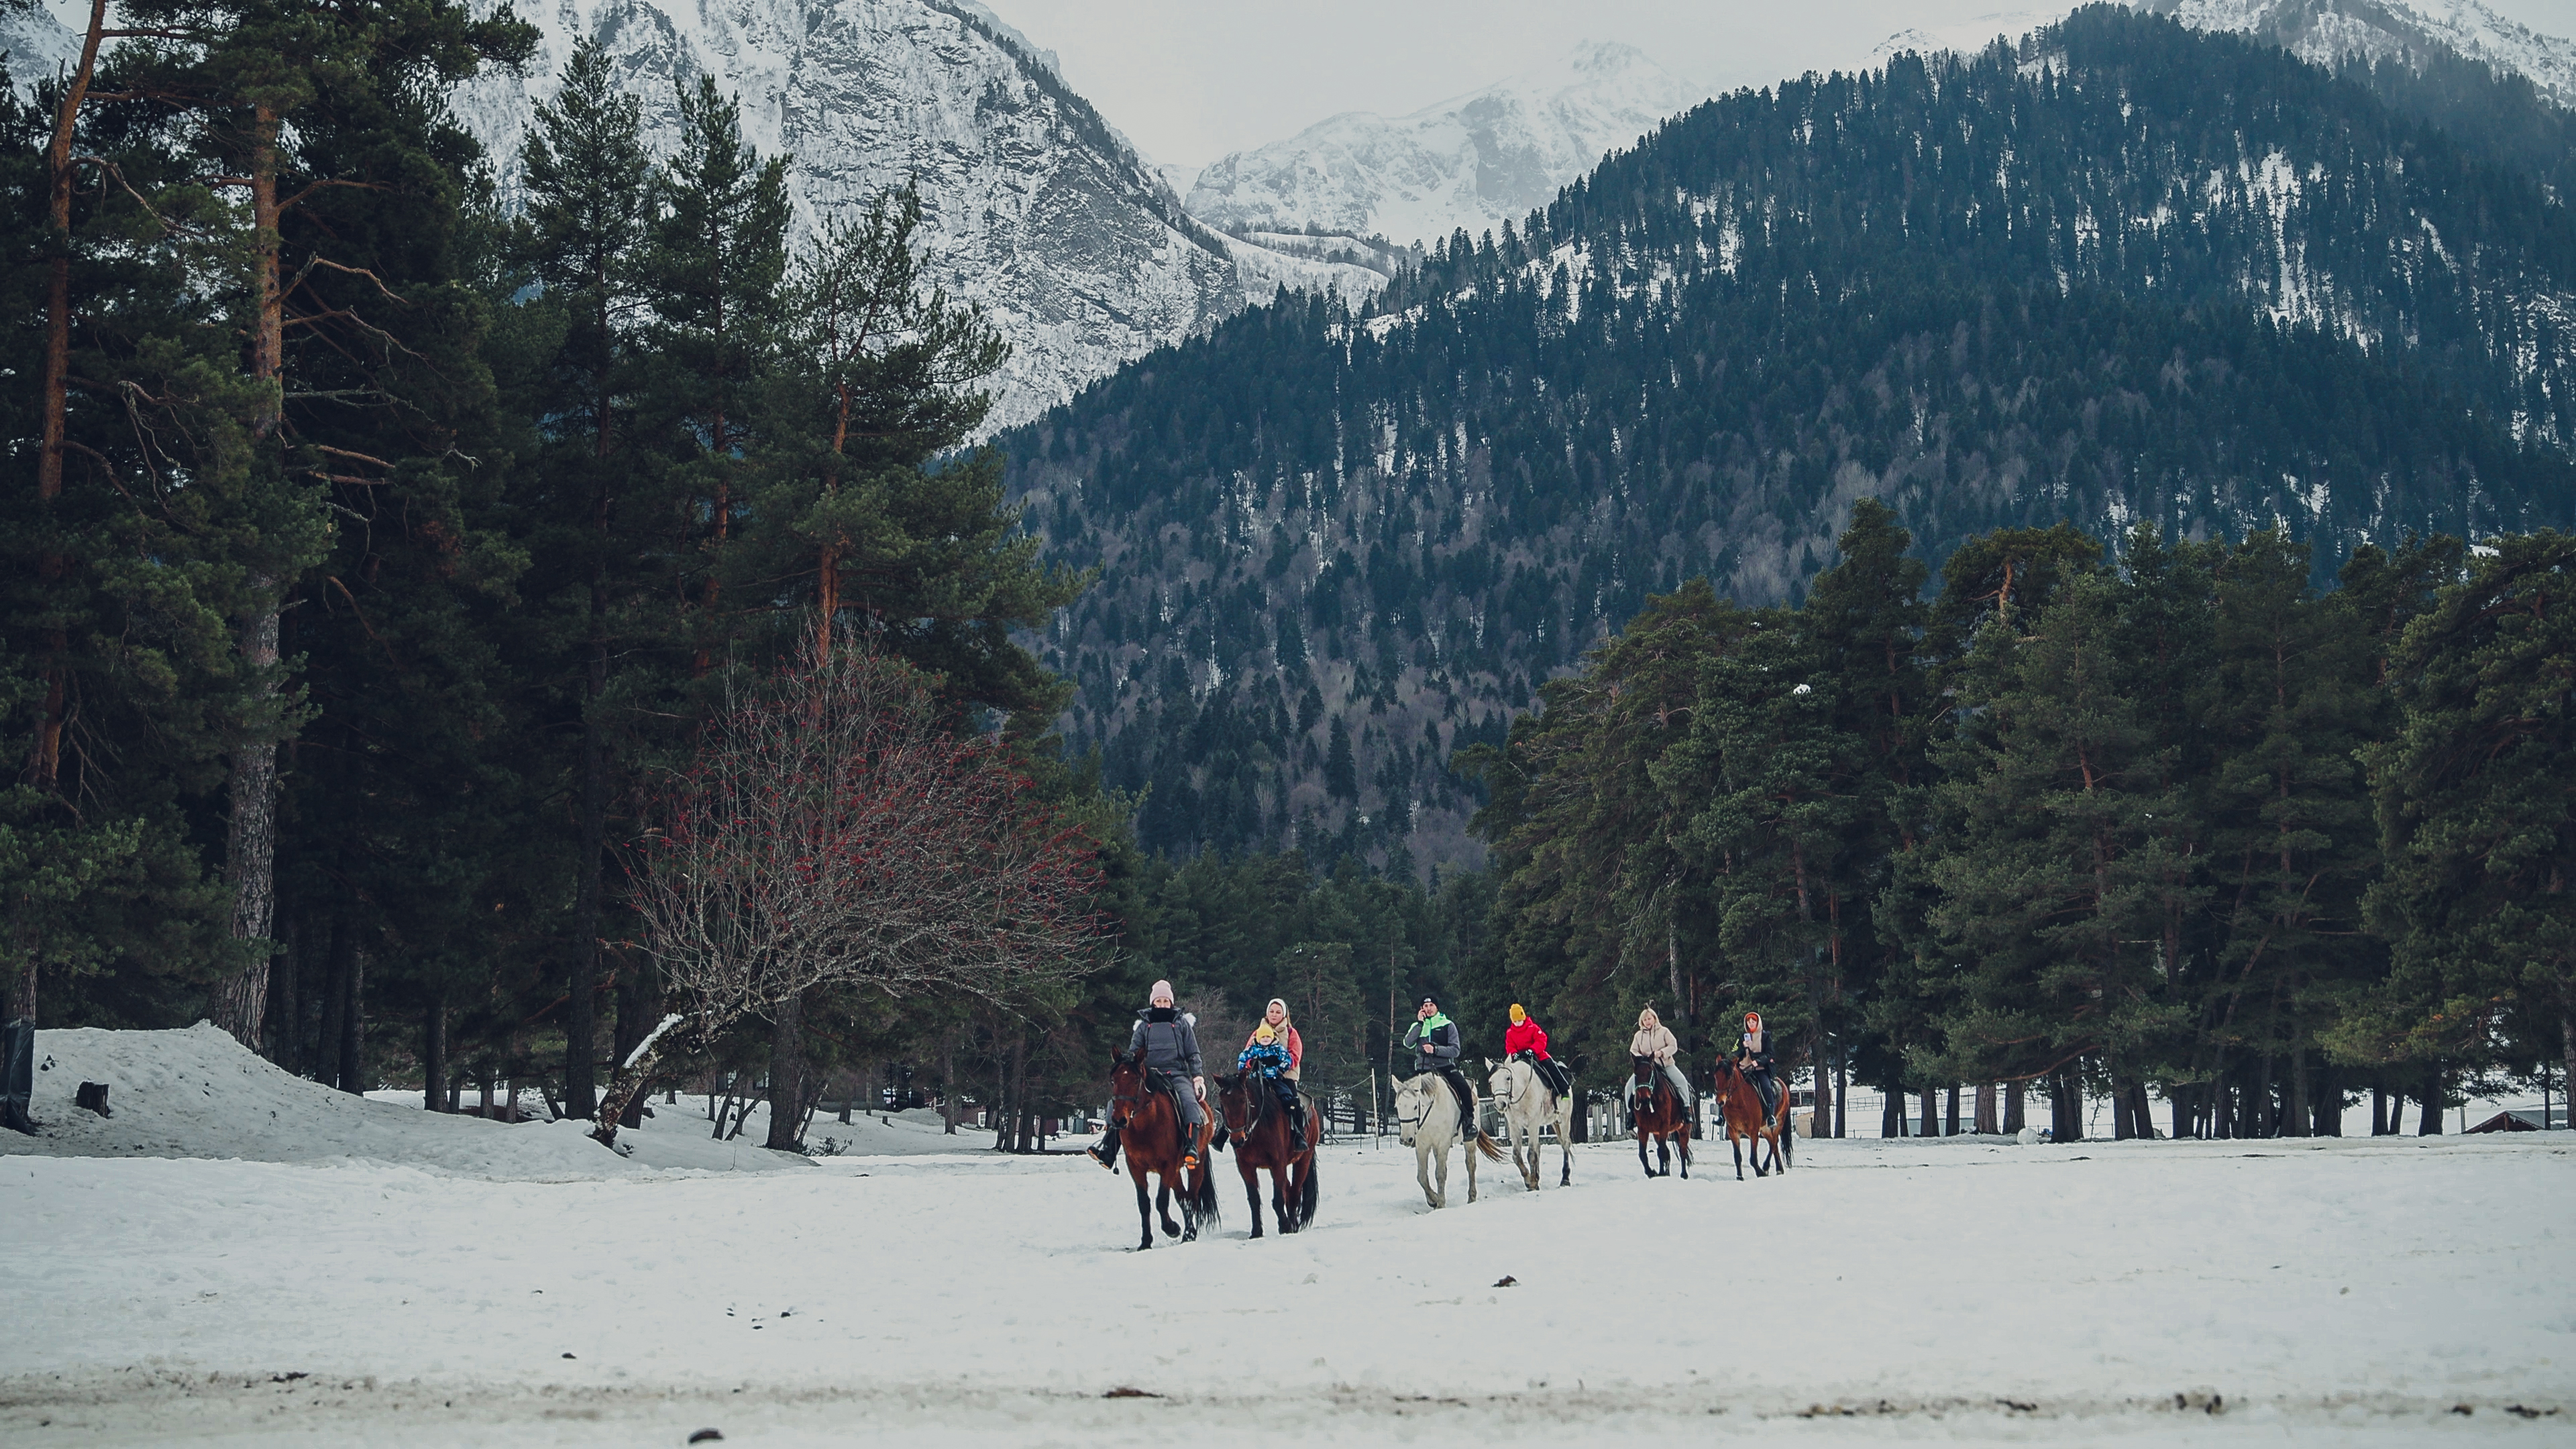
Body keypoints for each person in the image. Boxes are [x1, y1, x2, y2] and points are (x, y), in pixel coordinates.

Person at [1089, 980, 1205, 1171]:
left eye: (1165, 1001)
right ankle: (1109, 1147)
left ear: (1171, 1003)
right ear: (1152, 1003)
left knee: (1189, 1101)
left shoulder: (1182, 1025)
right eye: (1158, 1001)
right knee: (1118, 1102)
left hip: (1176, 1074)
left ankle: (1190, 1147)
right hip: (1149, 1075)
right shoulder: (1143, 1027)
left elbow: (1193, 1053)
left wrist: (1197, 1076)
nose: (1161, 1005)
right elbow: (1134, 1052)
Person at [1402, 996, 1475, 1139]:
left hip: (1445, 1067)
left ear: (1437, 1007)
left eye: (1431, 1005)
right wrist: (1419, 1024)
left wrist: (1435, 1050)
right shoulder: (1417, 1026)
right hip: (1423, 1070)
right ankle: (1409, 1128)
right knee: (1407, 1093)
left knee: (1463, 1087)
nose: (1428, 1009)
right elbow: (1408, 1043)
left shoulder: (1448, 1025)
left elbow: (1455, 1050)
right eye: (1425, 1006)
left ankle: (1468, 1123)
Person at [1244, 1000, 1306, 1136]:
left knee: (1292, 1100)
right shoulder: (1258, 1032)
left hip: (1284, 1076)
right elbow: (1247, 1051)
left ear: (1284, 1015)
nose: (1274, 1015)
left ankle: (1299, 1134)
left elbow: (1295, 1055)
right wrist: (1251, 1064)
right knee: (1240, 1099)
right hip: (1259, 1076)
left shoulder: (1291, 1033)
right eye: (1271, 1011)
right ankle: (1226, 1134)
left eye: (1278, 1012)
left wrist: (1280, 1067)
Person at [1238, 1024, 1302, 1134]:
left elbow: (1289, 1059)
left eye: (1268, 1037)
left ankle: (1289, 1104)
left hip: (1274, 1076)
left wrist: (1280, 1068)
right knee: (1239, 1093)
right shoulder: (1254, 1049)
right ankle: (1224, 1131)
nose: (1266, 1039)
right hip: (1256, 1078)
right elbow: (1243, 1057)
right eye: (1263, 1037)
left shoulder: (1278, 1047)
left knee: (1283, 1089)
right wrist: (1247, 1066)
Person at [1503, 1003, 1572, 1101]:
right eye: (1515, 1021)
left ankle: (1564, 1090)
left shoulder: (1533, 1028)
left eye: (1520, 1020)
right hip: (1520, 1058)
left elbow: (1542, 1039)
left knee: (1551, 1067)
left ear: (1523, 1018)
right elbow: (1510, 1045)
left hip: (1538, 1055)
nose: (1518, 1023)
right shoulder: (1510, 1033)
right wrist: (1514, 1054)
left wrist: (1533, 1050)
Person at [1629, 1006, 1693, 1109]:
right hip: (1646, 1069)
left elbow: (1673, 1045)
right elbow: (1633, 1050)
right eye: (1645, 1020)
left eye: (1649, 1019)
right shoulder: (1638, 1035)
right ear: (1642, 1022)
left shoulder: (1664, 1031)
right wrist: (1642, 1058)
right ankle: (1630, 1115)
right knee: (1629, 1087)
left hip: (1666, 1065)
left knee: (1682, 1082)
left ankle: (1686, 1108)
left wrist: (1662, 1053)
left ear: (1654, 1018)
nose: (1647, 1022)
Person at [1733, 1010, 1778, 1116]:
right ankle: (1722, 1115)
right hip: (1743, 1069)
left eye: (1753, 1021)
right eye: (1749, 1022)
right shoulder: (1742, 1037)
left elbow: (1770, 1053)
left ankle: (1770, 1114)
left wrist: (1758, 1061)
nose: (1751, 1023)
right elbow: (1734, 1051)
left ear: (1758, 1022)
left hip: (1759, 1069)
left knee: (1766, 1087)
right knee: (1729, 1085)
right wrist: (1743, 1046)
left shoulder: (1766, 1036)